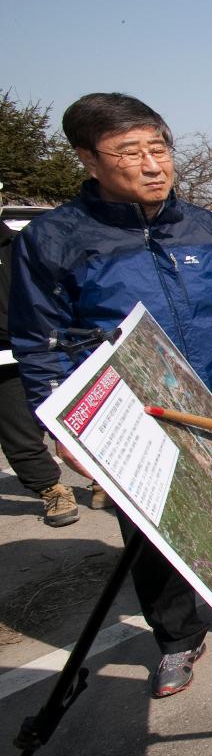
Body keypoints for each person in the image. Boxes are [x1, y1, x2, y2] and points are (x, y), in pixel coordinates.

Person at [8, 92, 212, 697]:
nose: (154, 164)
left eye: (159, 148)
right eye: (130, 152)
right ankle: (178, 638)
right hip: (129, 421)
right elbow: (40, 342)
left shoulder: (207, 229)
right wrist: (62, 428)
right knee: (153, 539)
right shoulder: (55, 240)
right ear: (88, 159)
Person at [1, 217, 79, 527]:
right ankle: (51, 489)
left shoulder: (23, 243)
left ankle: (105, 483)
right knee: (19, 432)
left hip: (51, 345)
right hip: (4, 361)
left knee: (79, 420)